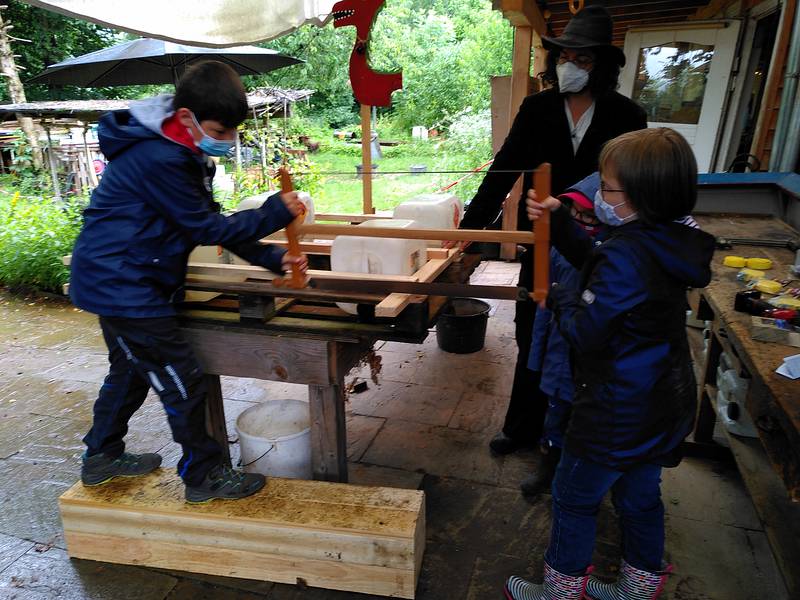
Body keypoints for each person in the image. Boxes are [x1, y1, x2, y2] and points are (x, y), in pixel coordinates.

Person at [70, 61, 308, 504]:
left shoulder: (180, 148)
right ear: (186, 117)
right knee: (184, 381)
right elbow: (205, 228)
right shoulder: (160, 157)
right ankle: (204, 475)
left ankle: (101, 456)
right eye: (220, 131)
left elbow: (204, 220)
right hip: (125, 284)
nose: (227, 140)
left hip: (114, 278)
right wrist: (274, 212)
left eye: (232, 131)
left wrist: (274, 257)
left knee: (129, 373)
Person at [503, 127, 715, 600]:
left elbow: (586, 331)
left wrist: (562, 297)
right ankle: (638, 587)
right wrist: (560, 219)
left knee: (573, 498)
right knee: (639, 498)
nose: (599, 194)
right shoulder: (669, 238)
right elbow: (602, 261)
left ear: (640, 196)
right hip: (661, 402)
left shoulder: (628, 252)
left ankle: (559, 591)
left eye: (607, 187)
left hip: (616, 410)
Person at [450, 5, 647, 460]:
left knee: (587, 337)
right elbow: (504, 170)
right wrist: (470, 230)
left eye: (583, 58)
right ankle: (522, 427)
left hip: (598, 245)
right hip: (542, 240)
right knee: (531, 329)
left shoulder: (627, 116)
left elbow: (636, 184)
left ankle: (572, 438)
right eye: (564, 56)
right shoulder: (538, 108)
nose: (570, 65)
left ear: (602, 65)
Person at [521, 173, 601, 497]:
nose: (581, 221)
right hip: (558, 351)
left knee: (586, 425)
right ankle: (549, 467)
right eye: (575, 214)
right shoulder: (556, 250)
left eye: (589, 216)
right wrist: (537, 354)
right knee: (555, 415)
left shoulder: (612, 255)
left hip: (589, 359)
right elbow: (544, 307)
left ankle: (579, 479)